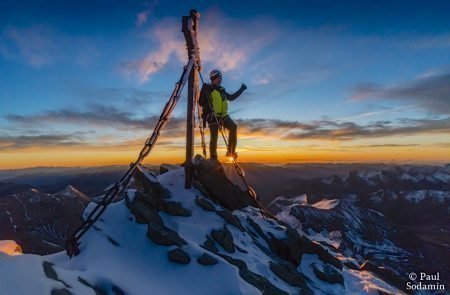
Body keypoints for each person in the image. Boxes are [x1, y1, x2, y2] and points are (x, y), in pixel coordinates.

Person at [199, 69, 247, 161]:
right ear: (213, 78)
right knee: (214, 137)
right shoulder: (208, 89)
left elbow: (231, 98)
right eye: (218, 78)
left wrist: (241, 89)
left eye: (221, 78)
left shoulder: (221, 90)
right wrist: (203, 90)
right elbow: (201, 102)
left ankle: (231, 152)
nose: (220, 80)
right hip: (212, 116)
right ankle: (213, 158)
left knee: (233, 127)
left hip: (223, 116)